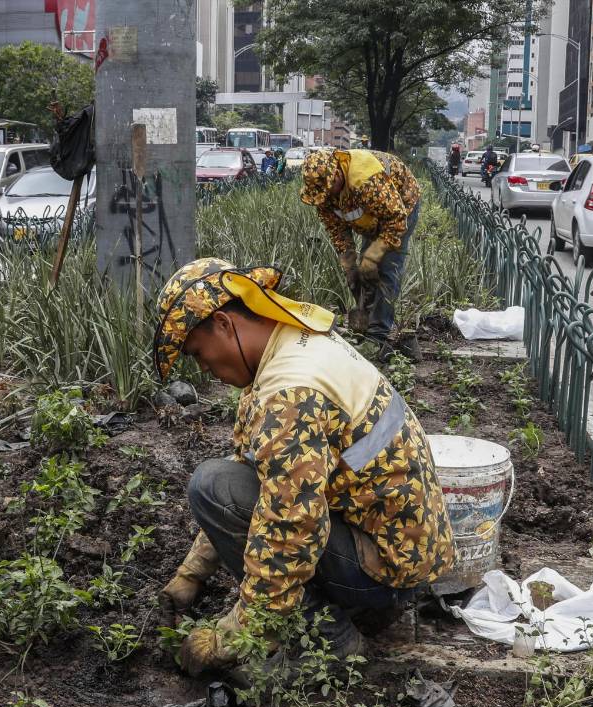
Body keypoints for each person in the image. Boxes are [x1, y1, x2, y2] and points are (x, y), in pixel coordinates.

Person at [153, 258, 455, 677]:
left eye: (198, 353)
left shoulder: (291, 392)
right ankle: (358, 608)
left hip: (386, 571)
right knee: (223, 486)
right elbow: (258, 480)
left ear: (223, 324)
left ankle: (329, 640)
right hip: (400, 551)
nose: (203, 368)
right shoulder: (295, 341)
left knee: (210, 485)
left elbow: (289, 530)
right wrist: (192, 574)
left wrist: (233, 637)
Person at [300, 148, 422, 358]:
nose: (326, 196)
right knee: (364, 272)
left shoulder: (366, 180)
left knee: (386, 267)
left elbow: (395, 219)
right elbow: (337, 229)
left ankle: (378, 337)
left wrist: (374, 256)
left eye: (328, 189)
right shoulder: (323, 194)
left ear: (337, 173)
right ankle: (365, 324)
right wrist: (349, 264)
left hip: (400, 207)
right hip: (370, 214)